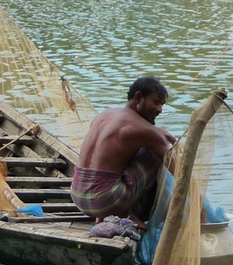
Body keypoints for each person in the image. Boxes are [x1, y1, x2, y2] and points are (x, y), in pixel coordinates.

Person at [70, 76, 177, 228]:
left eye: (162, 104)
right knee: (157, 153)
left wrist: (157, 131)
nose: (160, 109)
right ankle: (125, 212)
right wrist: (198, 205)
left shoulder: (104, 116)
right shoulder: (145, 130)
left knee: (136, 151)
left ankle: (105, 214)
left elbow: (126, 135)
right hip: (105, 201)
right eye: (156, 102)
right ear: (139, 97)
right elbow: (179, 170)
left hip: (78, 196)